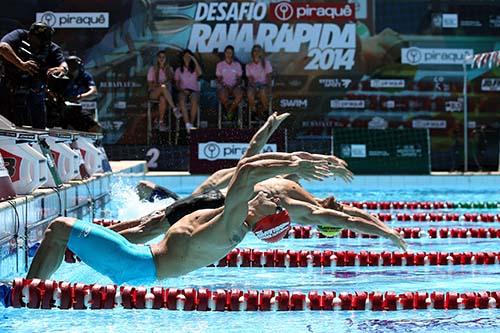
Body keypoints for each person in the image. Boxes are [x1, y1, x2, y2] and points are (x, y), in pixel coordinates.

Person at [27, 152, 333, 283]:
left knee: (58, 228)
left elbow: (246, 172)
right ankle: (38, 283)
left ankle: (28, 291)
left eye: (276, 204)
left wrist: (295, 163)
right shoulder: (234, 221)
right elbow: (247, 166)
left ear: (266, 218)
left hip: (136, 262)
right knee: (63, 236)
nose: (274, 197)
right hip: (139, 260)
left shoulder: (234, 221)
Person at [0, 22, 68, 128]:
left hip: (34, 92)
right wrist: (21, 64)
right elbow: (3, 47)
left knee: (39, 126)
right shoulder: (19, 35)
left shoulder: (50, 47)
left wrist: (61, 69)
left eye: (44, 40)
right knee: (5, 124)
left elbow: (63, 64)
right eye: (39, 38)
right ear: (31, 34)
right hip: (8, 88)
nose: (41, 42)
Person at [147, 50, 179, 132]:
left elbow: (172, 81)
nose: (161, 59)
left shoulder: (169, 68)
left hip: (166, 94)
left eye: (163, 57)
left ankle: (160, 122)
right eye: (160, 57)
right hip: (154, 92)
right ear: (157, 58)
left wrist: (165, 70)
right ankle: (174, 109)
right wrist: (159, 85)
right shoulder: (152, 68)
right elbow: (150, 85)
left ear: (166, 59)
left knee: (162, 99)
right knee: (162, 87)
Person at [174, 49, 202, 133]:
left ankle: (191, 124)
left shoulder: (194, 68)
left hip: (194, 90)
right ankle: (187, 124)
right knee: (182, 100)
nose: (187, 58)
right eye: (185, 56)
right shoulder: (178, 70)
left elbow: (200, 73)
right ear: (182, 58)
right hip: (183, 90)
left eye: (189, 56)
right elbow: (176, 84)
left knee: (194, 100)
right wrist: (182, 90)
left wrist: (194, 60)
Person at [216, 45, 243, 121]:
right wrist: (225, 85)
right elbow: (219, 79)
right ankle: (229, 110)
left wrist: (234, 86)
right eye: (227, 52)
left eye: (230, 52)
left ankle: (230, 110)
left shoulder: (237, 65)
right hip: (224, 86)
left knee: (240, 95)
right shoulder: (220, 65)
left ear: (233, 54)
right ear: (224, 53)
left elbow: (239, 79)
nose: (228, 54)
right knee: (222, 95)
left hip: (235, 86)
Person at [246, 45, 272, 119]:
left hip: (264, 85)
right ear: (252, 53)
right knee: (249, 93)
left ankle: (265, 111)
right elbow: (250, 79)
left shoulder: (266, 63)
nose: (256, 53)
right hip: (254, 85)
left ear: (261, 53)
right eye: (255, 51)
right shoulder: (249, 65)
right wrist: (255, 87)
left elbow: (269, 77)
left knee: (262, 92)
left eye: (258, 51)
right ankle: (254, 112)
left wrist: (269, 87)